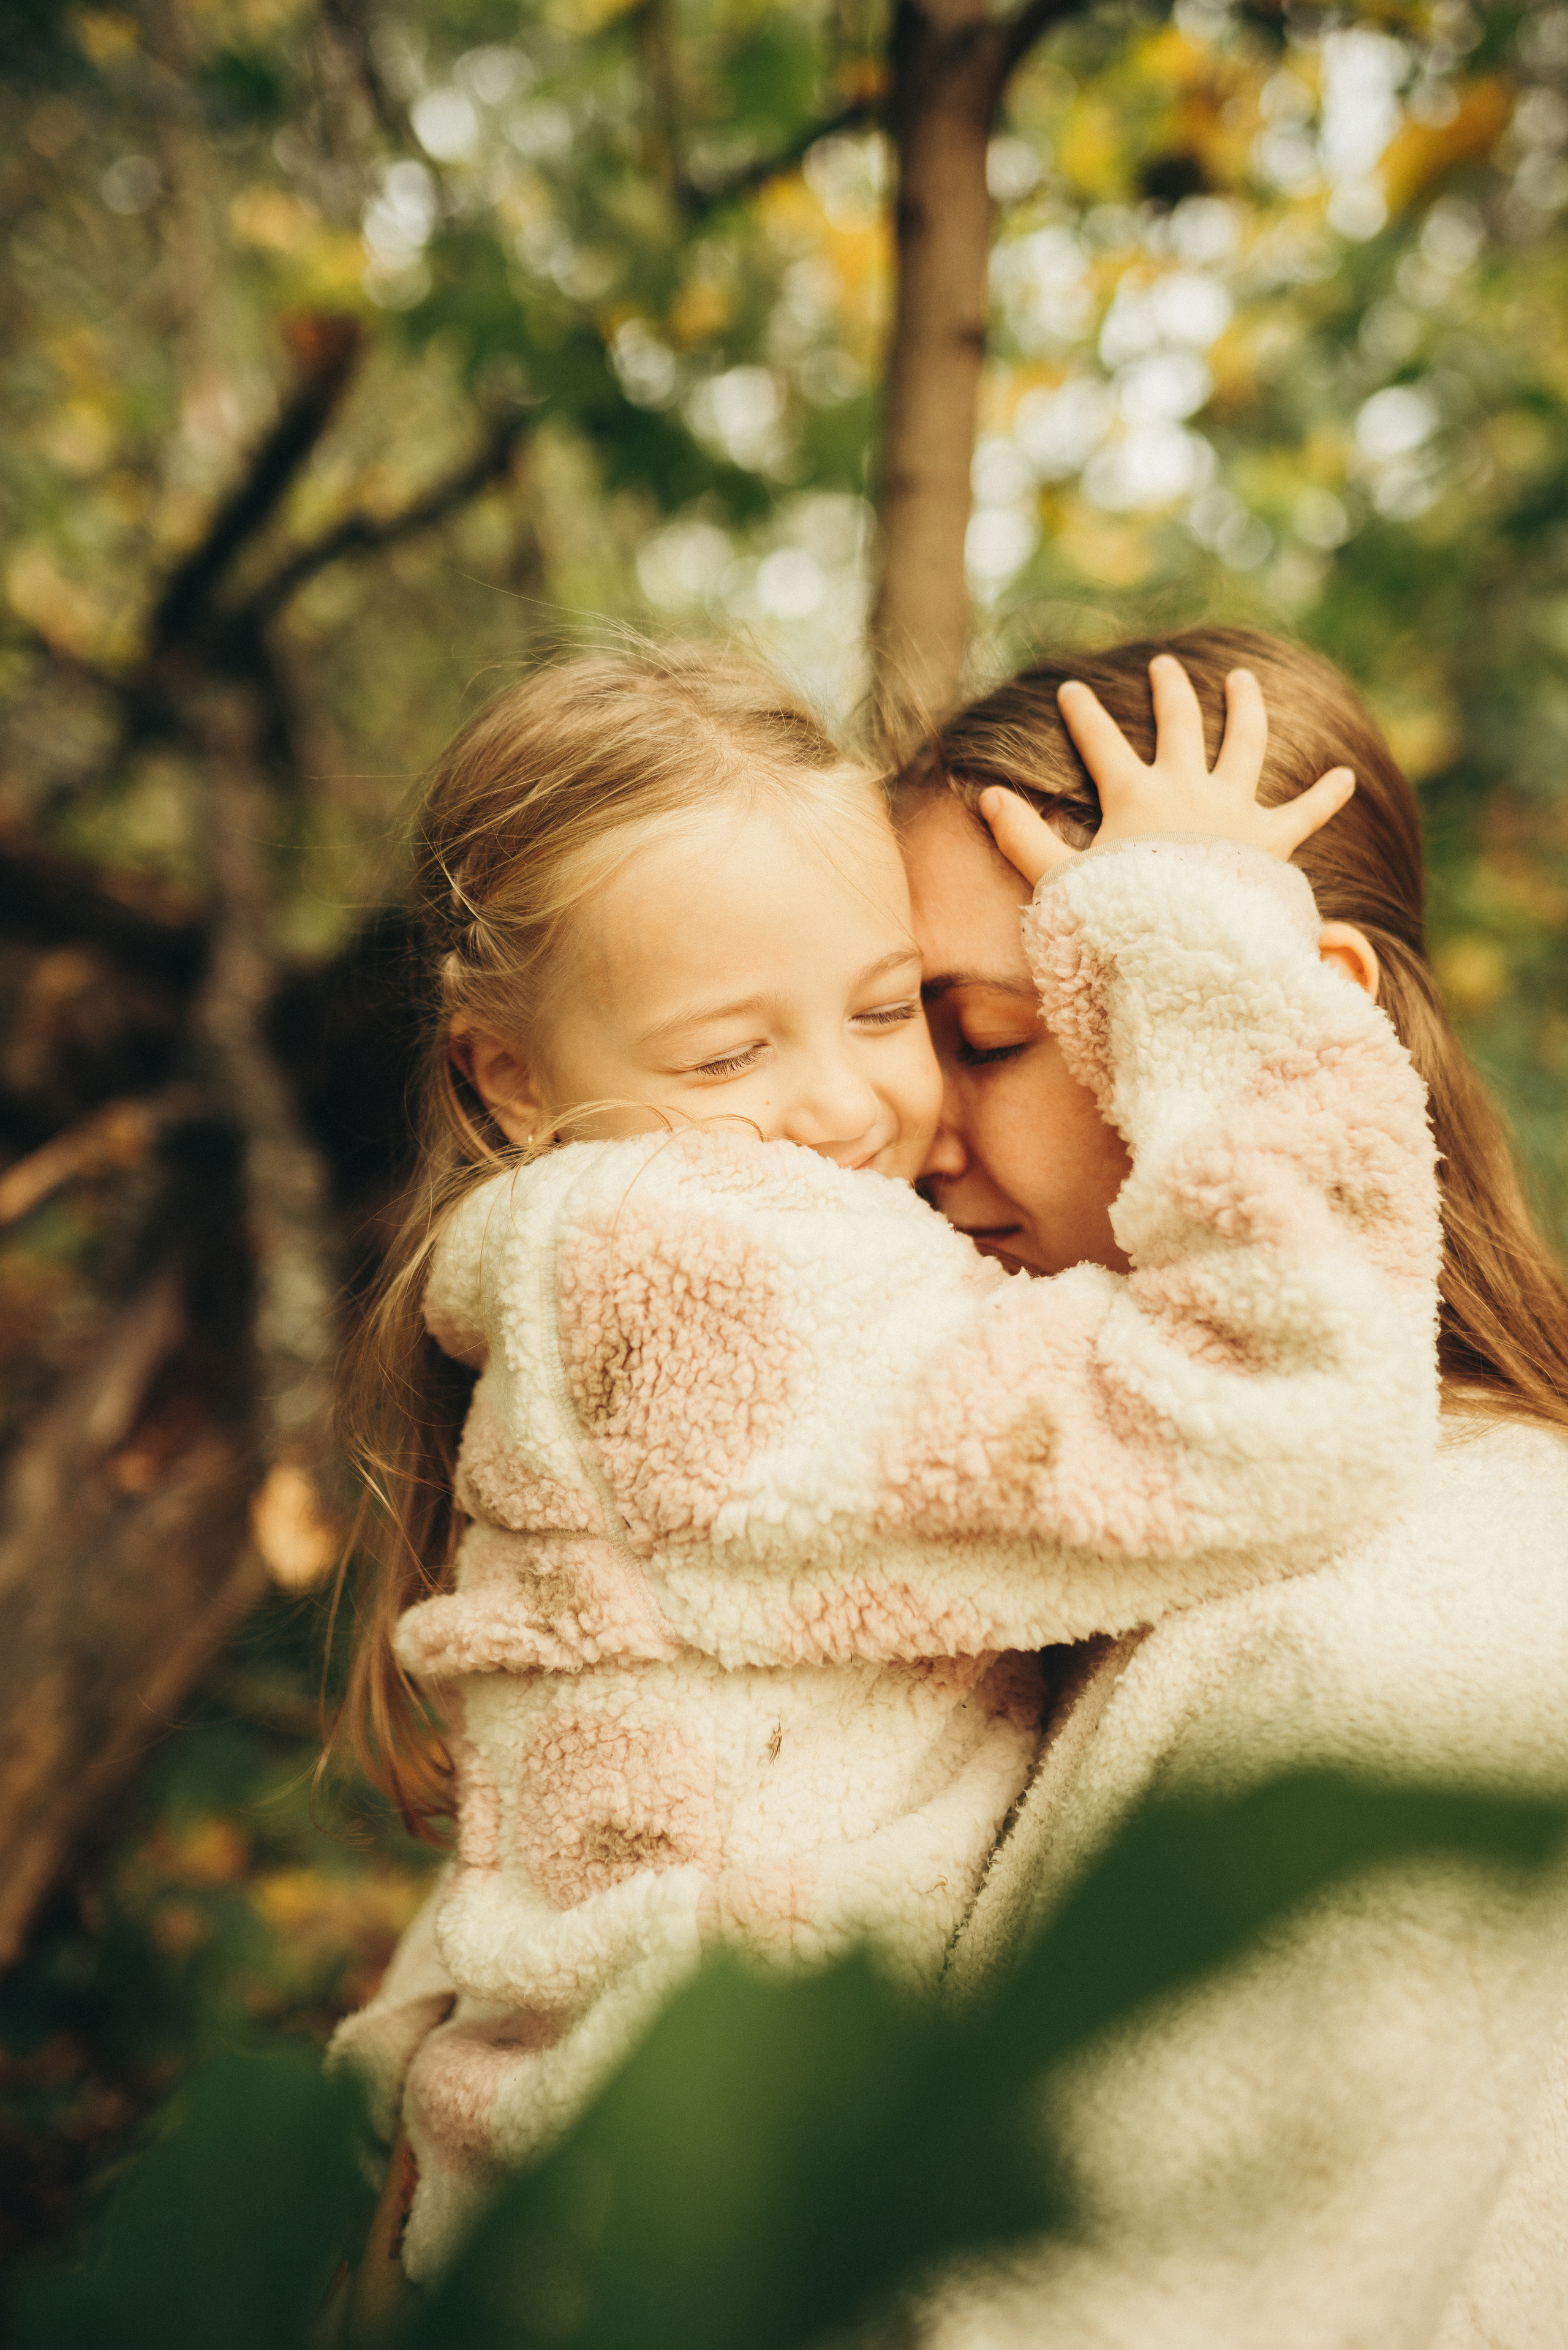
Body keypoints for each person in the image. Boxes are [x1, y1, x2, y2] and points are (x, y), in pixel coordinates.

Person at [328, 639, 1439, 2299]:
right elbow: (1285, 1400)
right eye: (726, 1057)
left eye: (895, 1012)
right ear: (507, 1074)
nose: (849, 1108)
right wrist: (1199, 947)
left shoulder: (614, 1255)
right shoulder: (710, 1280)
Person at [893, 625, 1568, 2350]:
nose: (908, 1135)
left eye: (986, 1039)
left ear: (1278, 1021)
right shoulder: (1113, 1523)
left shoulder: (1398, 1630)